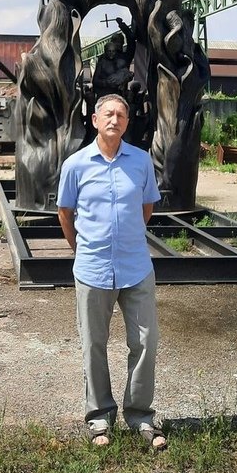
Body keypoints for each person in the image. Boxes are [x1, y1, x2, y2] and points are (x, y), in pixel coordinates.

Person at [57, 92, 166, 450]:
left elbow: (146, 207)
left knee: (145, 342)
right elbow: (65, 213)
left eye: (120, 115)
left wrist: (127, 239)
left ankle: (140, 415)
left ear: (127, 122)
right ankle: (100, 416)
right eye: (108, 114)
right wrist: (81, 249)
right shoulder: (75, 165)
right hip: (93, 268)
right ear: (94, 120)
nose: (114, 119)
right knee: (94, 344)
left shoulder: (141, 161)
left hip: (136, 266)